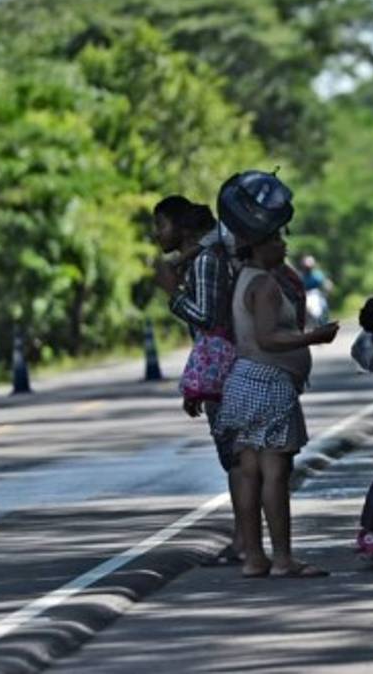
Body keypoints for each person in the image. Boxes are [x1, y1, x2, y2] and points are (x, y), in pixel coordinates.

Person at [214, 225, 339, 578]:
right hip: (268, 384)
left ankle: (254, 557)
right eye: (276, 240)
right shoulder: (265, 284)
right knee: (275, 473)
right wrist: (314, 336)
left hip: (243, 383)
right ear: (258, 246)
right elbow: (268, 337)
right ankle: (282, 557)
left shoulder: (243, 277)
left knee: (250, 471)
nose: (283, 245)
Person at [152, 195, 242, 565]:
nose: (156, 234)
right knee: (237, 457)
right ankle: (245, 538)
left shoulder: (206, 261)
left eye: (161, 226)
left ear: (183, 228)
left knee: (235, 458)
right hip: (219, 368)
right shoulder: (207, 256)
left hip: (224, 370)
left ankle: (244, 541)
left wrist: (172, 293)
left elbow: (206, 319)